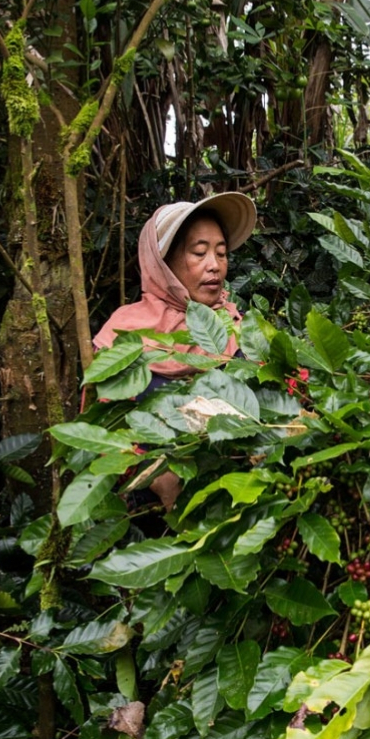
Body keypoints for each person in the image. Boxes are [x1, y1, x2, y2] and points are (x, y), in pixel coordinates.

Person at [93, 192, 256, 506]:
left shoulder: (240, 327)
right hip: (143, 527)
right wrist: (151, 473)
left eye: (221, 253)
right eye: (199, 252)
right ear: (162, 263)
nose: (215, 266)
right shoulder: (123, 336)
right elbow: (104, 434)